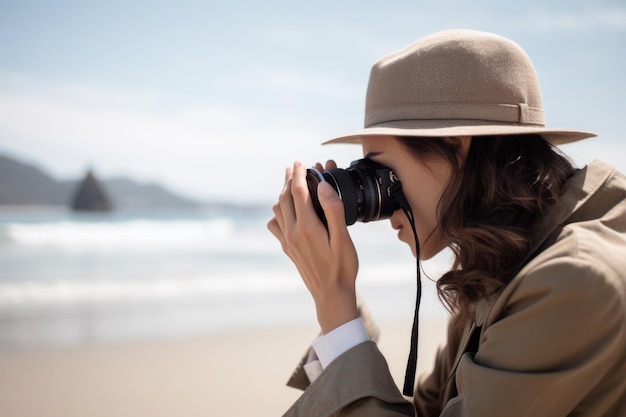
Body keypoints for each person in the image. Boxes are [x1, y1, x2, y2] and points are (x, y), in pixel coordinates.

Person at [267, 29, 626, 417]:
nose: (380, 210)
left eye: (378, 169)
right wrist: (342, 311)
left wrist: (336, 309)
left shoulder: (573, 280)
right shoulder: (504, 263)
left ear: (455, 146)